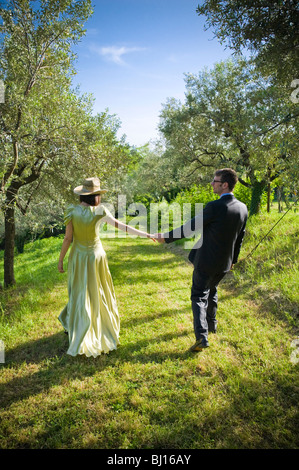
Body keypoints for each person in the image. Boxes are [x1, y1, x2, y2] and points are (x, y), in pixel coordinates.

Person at [58, 177, 154, 358]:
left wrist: (61, 260)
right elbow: (123, 227)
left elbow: (68, 239)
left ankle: (78, 324)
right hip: (96, 255)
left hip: (78, 256)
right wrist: (146, 234)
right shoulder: (100, 211)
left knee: (79, 290)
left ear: (82, 195)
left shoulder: (71, 211)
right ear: (96, 196)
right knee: (98, 290)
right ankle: (97, 324)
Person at [154, 168, 248, 352]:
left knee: (198, 295)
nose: (212, 183)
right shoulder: (242, 207)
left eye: (215, 180)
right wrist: (233, 260)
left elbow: (191, 227)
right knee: (211, 291)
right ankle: (211, 326)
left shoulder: (215, 206)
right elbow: (240, 237)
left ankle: (201, 338)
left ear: (225, 184)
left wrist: (165, 238)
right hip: (224, 263)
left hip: (206, 261)